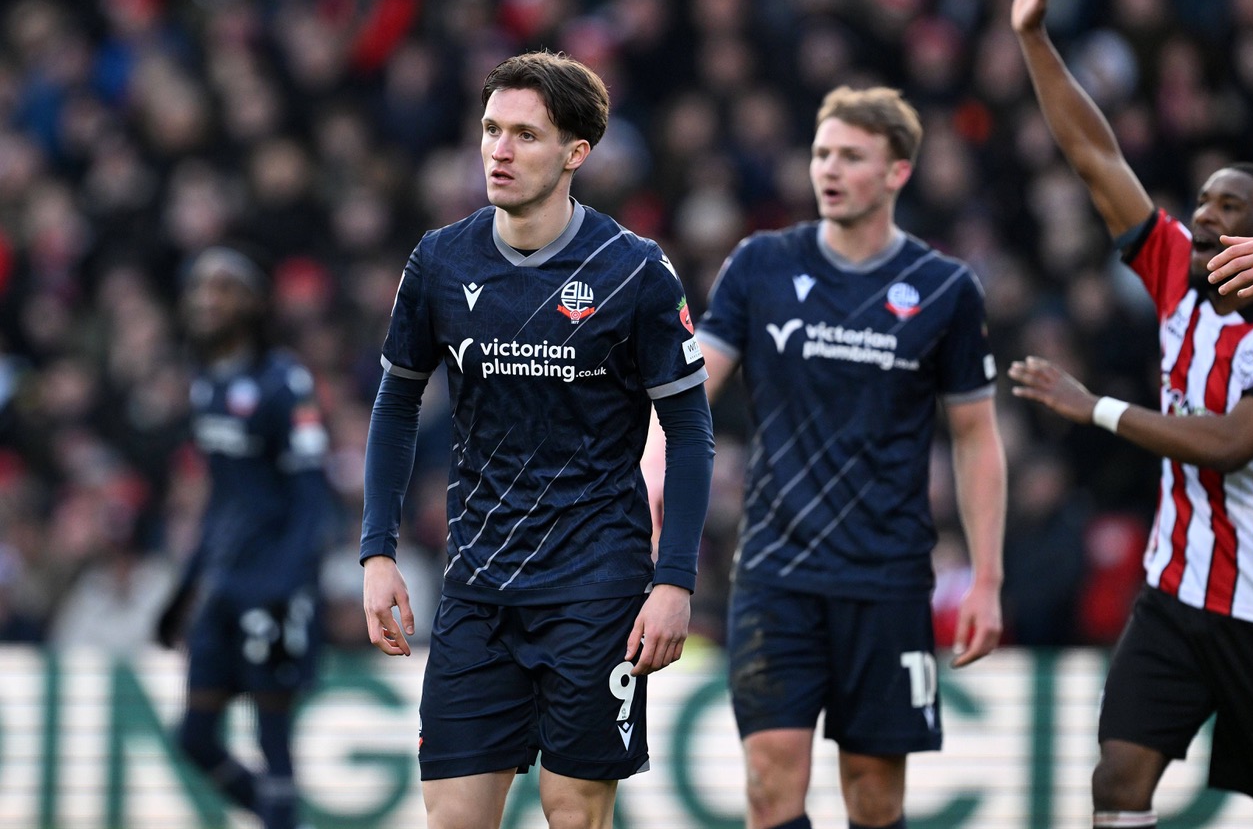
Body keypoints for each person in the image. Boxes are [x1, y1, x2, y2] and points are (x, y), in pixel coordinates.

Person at [359, 51, 714, 829]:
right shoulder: (440, 260)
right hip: (478, 583)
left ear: (575, 152)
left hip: (597, 585)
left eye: (524, 134)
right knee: (454, 818)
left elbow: (690, 431)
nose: (499, 150)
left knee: (573, 812)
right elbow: (396, 403)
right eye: (491, 129)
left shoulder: (634, 271)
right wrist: (378, 550)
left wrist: (675, 580)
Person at [650, 84, 1007, 829]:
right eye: (821, 154)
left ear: (898, 171)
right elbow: (688, 393)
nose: (829, 170)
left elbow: (975, 437)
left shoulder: (945, 289)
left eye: (851, 156)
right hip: (776, 570)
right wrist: (647, 481)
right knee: (767, 784)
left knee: (874, 795)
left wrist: (986, 578)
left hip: (887, 576)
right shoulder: (761, 264)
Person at [1012, 0, 1253, 825]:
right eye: (1202, 200)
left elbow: (1230, 442)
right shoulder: (1173, 276)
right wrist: (1033, 38)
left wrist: (1094, 407)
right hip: (1173, 598)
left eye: (1230, 206)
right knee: (1118, 783)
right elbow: (1094, 155)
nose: (1203, 215)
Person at [155, 245, 333, 829]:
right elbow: (222, 500)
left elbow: (313, 499)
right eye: (199, 287)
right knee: (195, 736)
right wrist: (185, 589)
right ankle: (285, 821)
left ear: (253, 302)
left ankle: (282, 817)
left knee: (272, 741)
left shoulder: (285, 382)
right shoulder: (207, 384)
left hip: (272, 589)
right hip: (224, 588)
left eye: (221, 287)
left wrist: (287, 585)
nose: (205, 299)